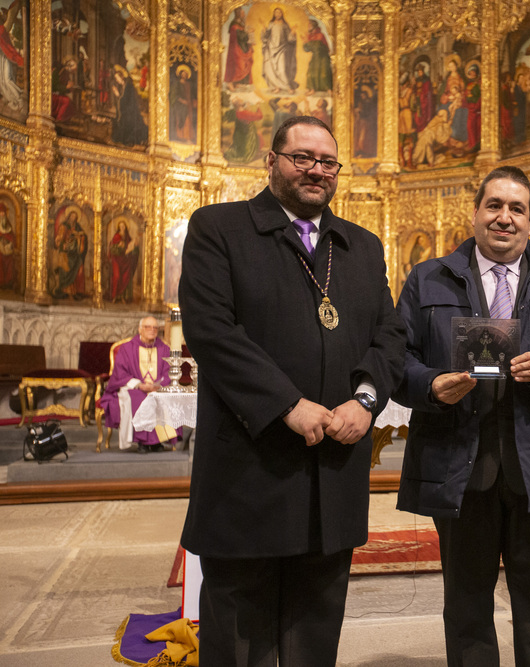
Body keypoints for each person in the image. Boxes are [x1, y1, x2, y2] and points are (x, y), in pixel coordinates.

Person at [178, 115, 405, 665]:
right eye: (301, 157)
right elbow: (212, 332)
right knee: (239, 638)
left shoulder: (362, 246)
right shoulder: (220, 229)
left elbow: (390, 336)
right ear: (271, 161)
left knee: (315, 633)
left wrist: (366, 401)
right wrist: (286, 404)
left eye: (327, 162)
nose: (316, 171)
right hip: (250, 474)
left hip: (333, 473)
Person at [394, 165, 530, 665]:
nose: (504, 218)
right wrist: (431, 384)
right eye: (494, 205)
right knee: (466, 604)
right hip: (459, 463)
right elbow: (395, 356)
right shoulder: (429, 277)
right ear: (475, 214)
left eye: (517, 208)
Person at [98, 316, 178, 452]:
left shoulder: (164, 349)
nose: (152, 330)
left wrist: (157, 386)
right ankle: (143, 442)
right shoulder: (127, 348)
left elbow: (169, 372)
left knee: (162, 397)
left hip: (156, 388)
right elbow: (120, 373)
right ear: (140, 329)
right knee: (139, 398)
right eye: (148, 327)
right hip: (132, 387)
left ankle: (157, 441)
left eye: (155, 328)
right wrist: (139, 385)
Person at [261, 7, 297, 93]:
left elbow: (289, 38)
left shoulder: (285, 25)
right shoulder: (271, 24)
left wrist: (292, 32)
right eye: (276, 13)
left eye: (279, 13)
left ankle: (288, 87)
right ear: (274, 14)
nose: (278, 14)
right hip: (271, 48)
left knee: (282, 68)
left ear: (282, 14)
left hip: (282, 48)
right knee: (271, 68)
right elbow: (266, 36)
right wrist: (263, 28)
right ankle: (277, 87)